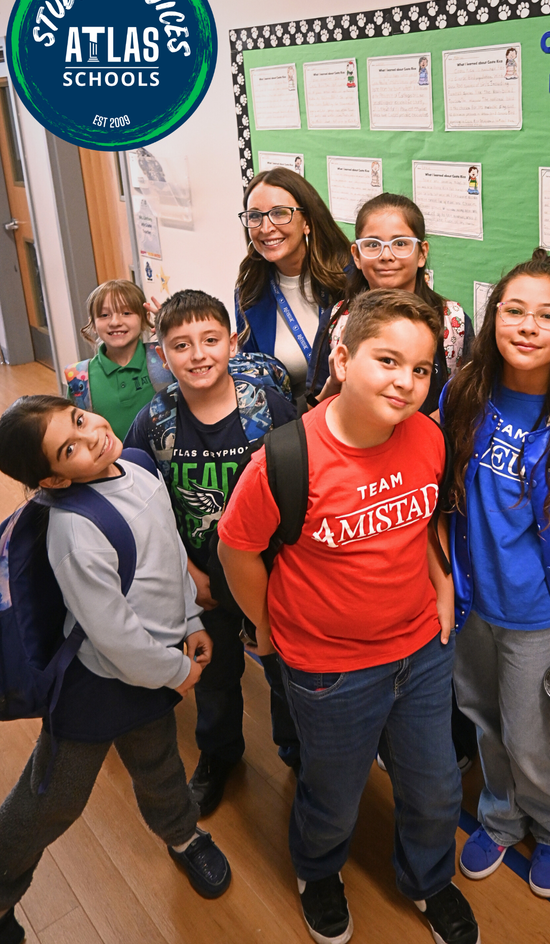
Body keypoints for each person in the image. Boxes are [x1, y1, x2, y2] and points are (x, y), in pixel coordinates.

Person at [217, 290, 480, 944]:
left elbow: (426, 521)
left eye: (420, 369)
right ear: (341, 356)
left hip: (421, 652)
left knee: (436, 789)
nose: (405, 381)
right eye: (387, 359)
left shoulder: (427, 436)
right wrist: (268, 628)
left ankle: (427, 880)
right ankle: (318, 871)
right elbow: (237, 549)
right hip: (329, 670)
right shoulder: (285, 459)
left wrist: (442, 586)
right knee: (332, 797)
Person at [0, 396, 232, 944]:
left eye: (79, 421)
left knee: (158, 763)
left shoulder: (137, 463)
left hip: (155, 668)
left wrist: (191, 617)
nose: (91, 437)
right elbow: (113, 636)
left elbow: (169, 550)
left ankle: (182, 835)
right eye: (70, 448)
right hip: (98, 684)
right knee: (55, 797)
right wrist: (173, 672)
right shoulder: (75, 534)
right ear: (54, 480)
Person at [439, 251, 550, 899]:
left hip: (538, 619)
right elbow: (439, 503)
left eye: (546, 315)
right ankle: (500, 814)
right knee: (483, 719)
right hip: (469, 608)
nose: (527, 325)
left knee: (531, 735)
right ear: (492, 321)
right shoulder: (461, 395)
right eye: (513, 310)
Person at [125, 290, 297, 817]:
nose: (198, 354)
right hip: (201, 577)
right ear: (162, 352)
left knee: (285, 670)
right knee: (215, 674)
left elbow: (299, 487)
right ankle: (220, 754)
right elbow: (144, 509)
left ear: (232, 341)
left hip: (271, 576)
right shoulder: (154, 422)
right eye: (181, 345)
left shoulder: (267, 407)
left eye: (210, 340)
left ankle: (298, 751)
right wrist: (187, 573)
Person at [307, 193, 474, 417]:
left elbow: (467, 400)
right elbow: (314, 408)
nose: (386, 255)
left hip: (429, 445)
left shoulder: (453, 322)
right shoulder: (337, 320)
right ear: (356, 255)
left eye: (401, 243)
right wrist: (335, 382)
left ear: (422, 253)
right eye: (373, 244)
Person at [235, 168, 349, 403]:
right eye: (255, 216)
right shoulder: (249, 293)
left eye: (279, 213)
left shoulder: (349, 277)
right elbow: (258, 385)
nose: (266, 228)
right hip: (294, 423)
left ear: (307, 221)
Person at [64, 279, 172, 440]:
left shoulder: (165, 358)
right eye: (104, 315)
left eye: (126, 313)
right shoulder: (79, 379)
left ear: (144, 317)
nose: (115, 322)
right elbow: (73, 432)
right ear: (92, 324)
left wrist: (172, 330)